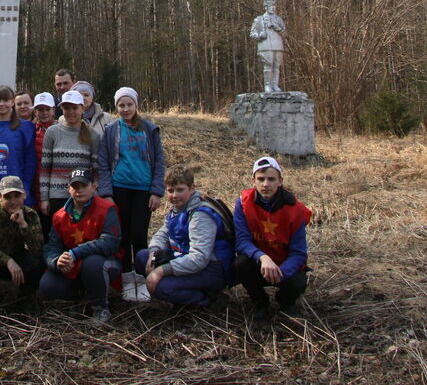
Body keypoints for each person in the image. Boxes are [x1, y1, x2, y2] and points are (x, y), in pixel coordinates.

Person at [136, 165, 232, 308]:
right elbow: (163, 233)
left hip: (211, 268)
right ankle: (186, 291)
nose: (174, 195)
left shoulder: (200, 215)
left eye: (180, 190)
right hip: (185, 258)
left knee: (163, 287)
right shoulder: (178, 208)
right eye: (170, 190)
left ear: (192, 188)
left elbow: (199, 258)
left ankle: (208, 298)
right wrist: (153, 253)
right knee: (142, 257)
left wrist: (161, 271)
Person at [233, 156, 312, 319]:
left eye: (271, 179)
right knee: (239, 264)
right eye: (260, 179)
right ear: (253, 181)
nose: (266, 184)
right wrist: (263, 258)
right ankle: (260, 302)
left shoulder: (295, 210)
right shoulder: (243, 203)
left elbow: (299, 253)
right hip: (259, 263)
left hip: (284, 264)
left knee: (298, 281)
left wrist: (280, 272)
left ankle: (286, 303)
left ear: (280, 181)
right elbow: (242, 241)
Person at [40, 168, 122, 323]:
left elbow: (111, 242)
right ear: (68, 189)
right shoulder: (59, 216)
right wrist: (57, 261)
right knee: (47, 284)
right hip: (73, 265)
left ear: (94, 186)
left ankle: (100, 307)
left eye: (84, 186)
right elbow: (51, 246)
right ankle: (80, 300)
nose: (79, 191)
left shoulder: (107, 209)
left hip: (104, 262)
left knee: (93, 264)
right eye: (75, 186)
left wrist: (75, 253)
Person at [98, 86, 165, 274]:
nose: (125, 109)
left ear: (136, 105)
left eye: (129, 105)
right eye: (121, 105)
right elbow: (103, 162)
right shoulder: (111, 130)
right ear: (116, 107)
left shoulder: (149, 130)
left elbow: (159, 161)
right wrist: (106, 193)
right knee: (123, 234)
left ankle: (142, 275)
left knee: (139, 234)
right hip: (120, 187)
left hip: (143, 189)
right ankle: (126, 274)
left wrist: (157, 191)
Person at [39, 91, 100, 227]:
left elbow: (96, 170)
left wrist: (94, 194)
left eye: (74, 108)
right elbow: (45, 169)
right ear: (62, 109)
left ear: (82, 108)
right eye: (67, 108)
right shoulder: (52, 132)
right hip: (56, 197)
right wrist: (44, 198)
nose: (70, 112)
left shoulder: (93, 135)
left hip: (82, 197)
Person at [29, 92, 57, 233]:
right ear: (35, 111)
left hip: (54, 188)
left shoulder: (60, 129)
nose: (44, 113)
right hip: (35, 186)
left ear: (53, 110)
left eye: (47, 109)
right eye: (40, 109)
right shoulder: (30, 130)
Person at [250, 0, 286, 93]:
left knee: (277, 66)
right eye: (270, 6)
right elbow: (252, 33)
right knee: (268, 65)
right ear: (266, 7)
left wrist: (277, 27)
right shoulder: (259, 19)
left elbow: (285, 33)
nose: (273, 8)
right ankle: (267, 86)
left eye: (274, 6)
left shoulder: (278, 19)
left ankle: (275, 85)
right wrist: (259, 36)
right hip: (265, 45)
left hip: (277, 44)